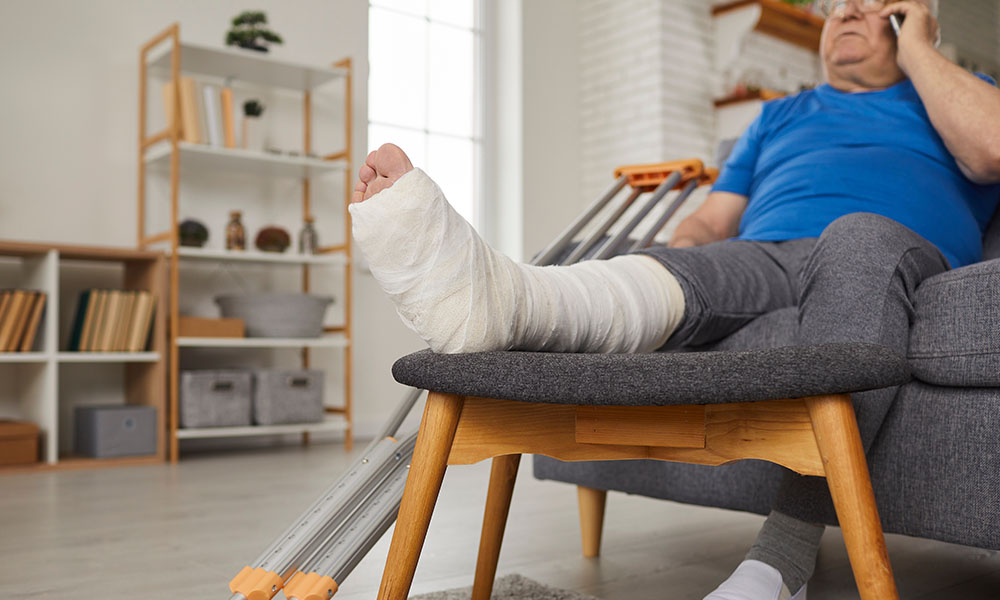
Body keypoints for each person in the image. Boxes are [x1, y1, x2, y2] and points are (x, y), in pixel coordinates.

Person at [349, 0, 1000, 598]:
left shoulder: (955, 97)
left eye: (873, 3)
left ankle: (782, 562)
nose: (846, 11)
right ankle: (499, 300)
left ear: (915, 19)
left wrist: (920, 46)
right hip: (762, 254)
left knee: (853, 237)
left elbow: (992, 148)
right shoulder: (779, 116)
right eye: (834, 7)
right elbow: (713, 222)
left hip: (891, 253)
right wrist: (676, 250)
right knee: (664, 267)